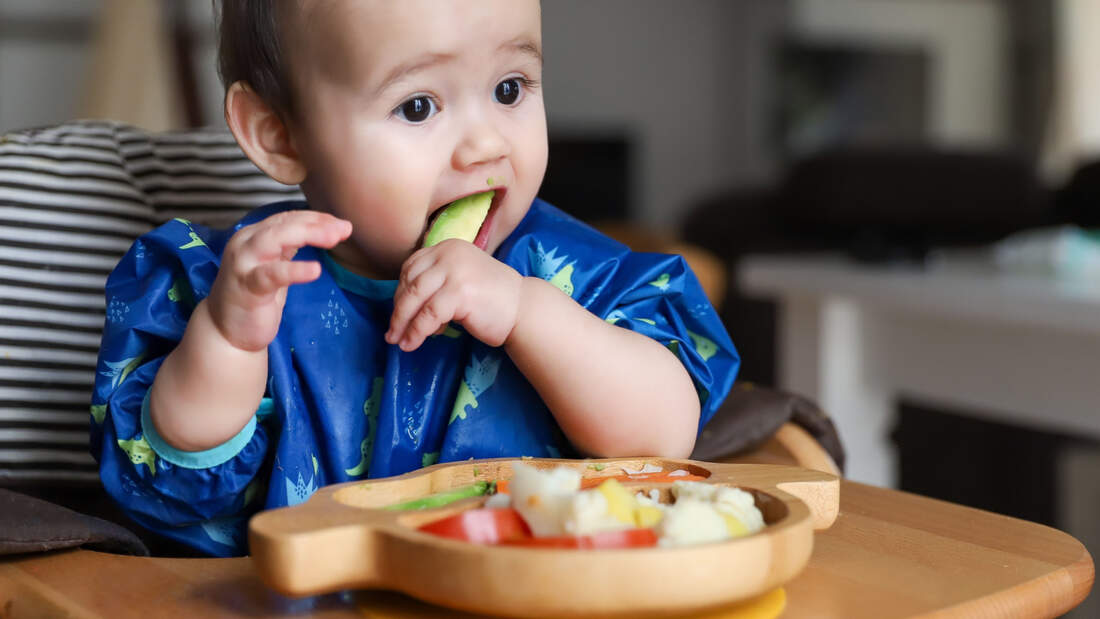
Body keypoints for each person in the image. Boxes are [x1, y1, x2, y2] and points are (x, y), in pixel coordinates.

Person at [91, 0, 739, 556]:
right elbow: (169, 481)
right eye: (419, 105)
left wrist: (525, 311)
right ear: (281, 134)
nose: (485, 145)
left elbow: (664, 437)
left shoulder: (565, 271)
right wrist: (230, 342)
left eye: (510, 88)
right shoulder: (255, 279)